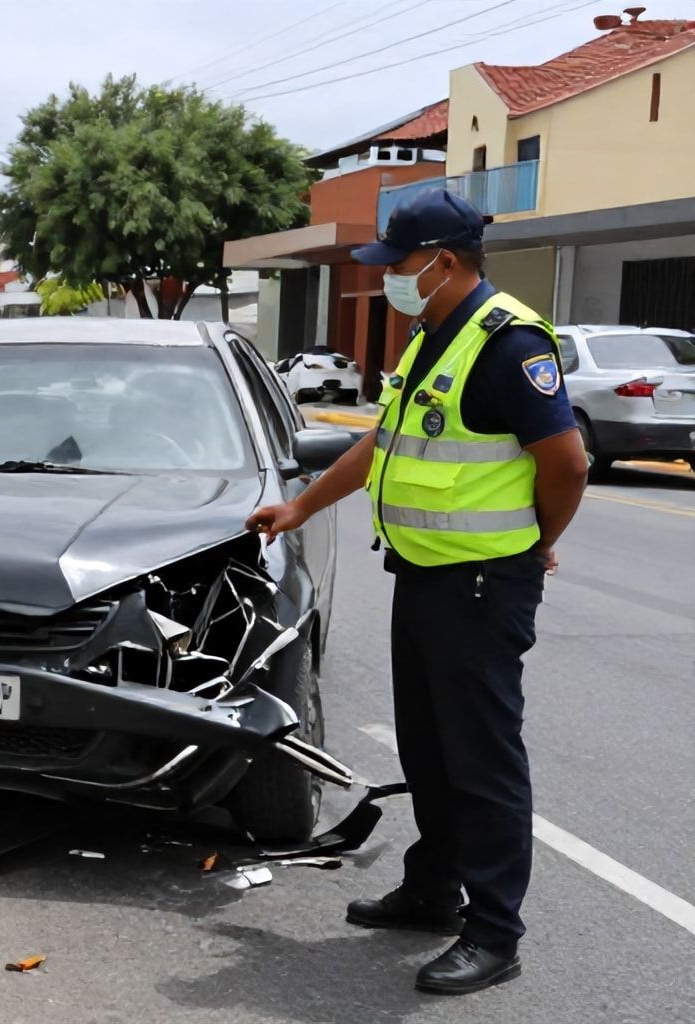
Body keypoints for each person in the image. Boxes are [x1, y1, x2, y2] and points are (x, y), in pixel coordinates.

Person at [247, 189, 586, 997]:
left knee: (483, 761)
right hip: (426, 578)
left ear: (444, 260)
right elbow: (383, 441)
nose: (391, 277)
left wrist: (539, 543)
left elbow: (566, 463)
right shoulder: (437, 334)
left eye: (399, 264)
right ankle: (434, 889)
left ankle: (495, 932)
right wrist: (300, 504)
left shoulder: (509, 344)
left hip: (480, 587)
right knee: (429, 749)